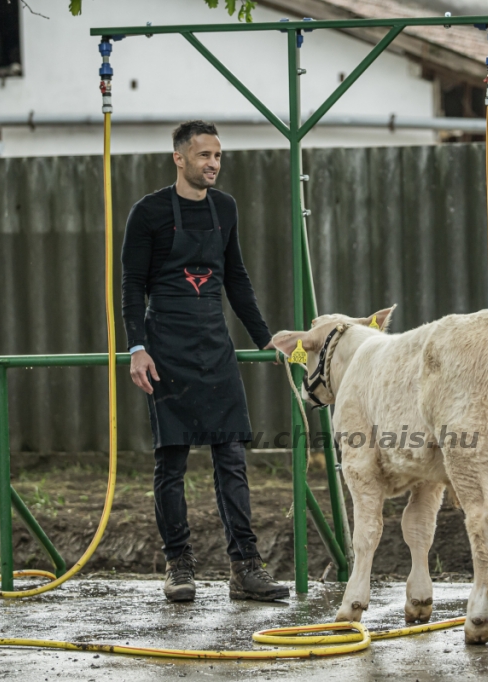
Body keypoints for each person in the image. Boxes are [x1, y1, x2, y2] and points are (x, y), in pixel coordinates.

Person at [120, 120, 288, 603]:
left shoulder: (225, 209)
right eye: (204, 156)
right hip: (164, 349)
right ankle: (178, 566)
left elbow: (236, 279)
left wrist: (265, 339)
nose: (213, 164)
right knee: (170, 463)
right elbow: (132, 285)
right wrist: (136, 347)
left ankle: (245, 569)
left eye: (217, 156)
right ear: (179, 158)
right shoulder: (148, 213)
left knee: (232, 460)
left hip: (215, 347)